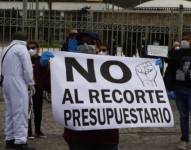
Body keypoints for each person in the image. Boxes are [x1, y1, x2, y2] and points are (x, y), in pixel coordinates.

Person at [63, 44, 119, 150]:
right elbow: (49, 85)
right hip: (79, 137)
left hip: (106, 136)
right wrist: (43, 67)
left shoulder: (111, 71)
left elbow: (129, 87)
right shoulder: (67, 72)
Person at [2, 32, 35, 150]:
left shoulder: (6, 49)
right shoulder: (22, 49)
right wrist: (31, 83)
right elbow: (27, 68)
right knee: (20, 111)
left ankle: (10, 139)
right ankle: (20, 141)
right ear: (24, 40)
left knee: (10, 112)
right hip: (18, 82)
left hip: (6, 81)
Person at [164, 39, 191, 150]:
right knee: (183, 116)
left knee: (184, 116)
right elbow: (169, 68)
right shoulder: (176, 54)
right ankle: (184, 140)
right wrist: (169, 88)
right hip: (179, 89)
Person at [27, 41, 48, 139]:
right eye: (29, 48)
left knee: (38, 110)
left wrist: (47, 64)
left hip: (38, 88)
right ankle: (29, 132)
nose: (31, 50)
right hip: (27, 89)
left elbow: (46, 73)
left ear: (38, 49)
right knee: (28, 111)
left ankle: (38, 131)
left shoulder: (42, 60)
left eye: (33, 47)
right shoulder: (26, 59)